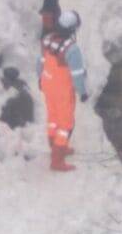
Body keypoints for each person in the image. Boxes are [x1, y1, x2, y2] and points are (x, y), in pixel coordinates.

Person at [37, 10, 88, 172]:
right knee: (65, 124)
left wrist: (40, 79)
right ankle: (57, 160)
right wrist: (83, 92)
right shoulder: (72, 50)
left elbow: (41, 62)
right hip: (62, 90)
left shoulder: (47, 40)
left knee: (53, 118)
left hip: (47, 84)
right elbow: (77, 74)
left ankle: (56, 148)